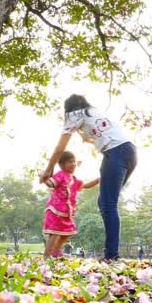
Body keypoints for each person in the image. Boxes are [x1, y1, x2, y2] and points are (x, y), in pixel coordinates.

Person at [40, 95, 137, 262]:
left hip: (115, 153)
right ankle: (111, 253)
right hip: (130, 152)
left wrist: (48, 170)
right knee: (105, 202)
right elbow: (94, 136)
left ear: (69, 109)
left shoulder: (75, 114)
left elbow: (60, 148)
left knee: (108, 204)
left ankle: (112, 256)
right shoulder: (94, 112)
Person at [42, 151, 100, 257]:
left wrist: (98, 180)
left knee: (68, 232)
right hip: (56, 210)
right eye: (70, 162)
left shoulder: (73, 179)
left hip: (66, 212)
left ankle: (56, 251)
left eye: (74, 161)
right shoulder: (60, 175)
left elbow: (86, 185)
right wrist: (44, 177)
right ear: (62, 165)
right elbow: (50, 183)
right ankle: (45, 257)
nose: (73, 164)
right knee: (54, 234)